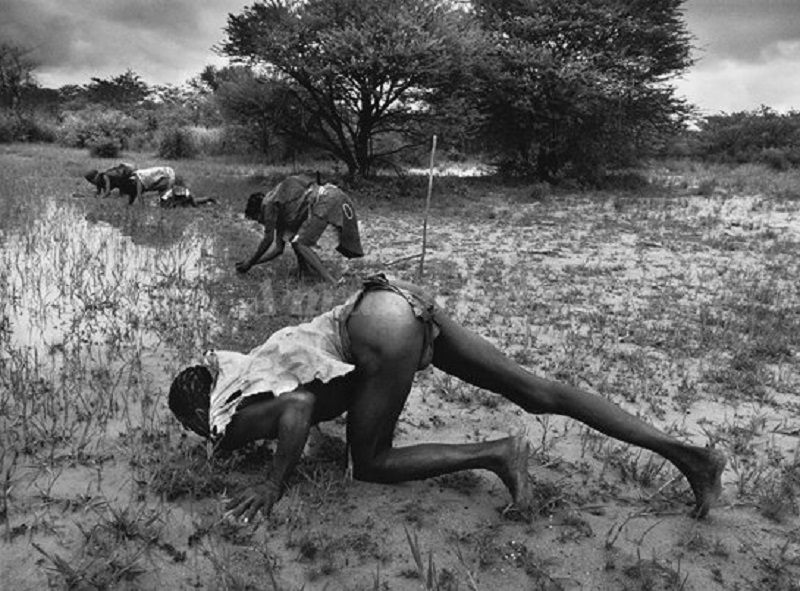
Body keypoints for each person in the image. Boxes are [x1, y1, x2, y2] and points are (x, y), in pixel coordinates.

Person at [168, 274, 726, 523]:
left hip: (380, 332)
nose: (204, 437)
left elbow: (299, 409)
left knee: (372, 464)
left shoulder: (227, 413)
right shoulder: (247, 367)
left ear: (202, 412)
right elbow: (324, 387)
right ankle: (688, 455)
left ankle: (498, 453)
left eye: (195, 429)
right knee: (536, 391)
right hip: (392, 300)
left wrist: (272, 482)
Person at [235, 175, 364, 284]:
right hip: (331, 196)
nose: (263, 224)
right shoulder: (279, 209)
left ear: (259, 213)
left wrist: (250, 263)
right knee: (296, 240)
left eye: (259, 220)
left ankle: (332, 282)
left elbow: (268, 240)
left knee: (301, 244)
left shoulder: (268, 205)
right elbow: (278, 249)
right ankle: (306, 271)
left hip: (327, 200)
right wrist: (251, 263)